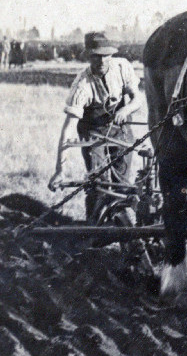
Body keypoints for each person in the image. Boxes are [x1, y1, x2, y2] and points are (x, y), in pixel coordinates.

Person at [50, 30, 139, 222]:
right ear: (89, 57)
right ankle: (93, 229)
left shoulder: (123, 68)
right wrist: (60, 170)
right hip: (93, 131)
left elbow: (137, 99)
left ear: (112, 55)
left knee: (122, 186)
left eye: (106, 56)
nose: (101, 61)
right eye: (96, 57)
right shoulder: (82, 85)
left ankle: (123, 229)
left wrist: (126, 110)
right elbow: (68, 129)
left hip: (120, 128)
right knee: (99, 183)